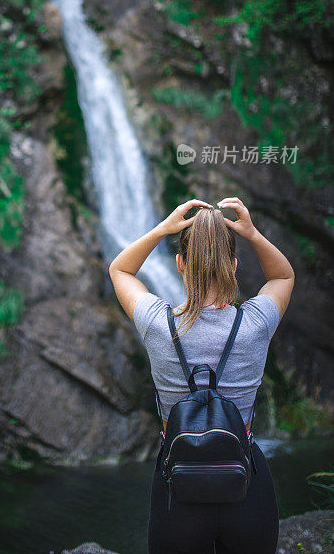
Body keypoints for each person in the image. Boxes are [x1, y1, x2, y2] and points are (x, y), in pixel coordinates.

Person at [108, 197, 294, 554]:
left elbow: (120, 270)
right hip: (246, 483)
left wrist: (164, 228)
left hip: (177, 488)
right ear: (235, 266)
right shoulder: (255, 324)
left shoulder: (157, 324)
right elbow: (283, 275)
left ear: (179, 264)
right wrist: (252, 233)